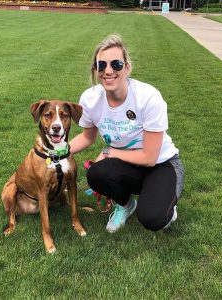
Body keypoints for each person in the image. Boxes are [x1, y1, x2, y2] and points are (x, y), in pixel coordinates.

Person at [69, 34, 184, 233]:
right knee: (96, 173)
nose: (108, 71)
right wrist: (60, 152)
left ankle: (165, 205)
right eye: (101, 65)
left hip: (161, 164)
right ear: (95, 70)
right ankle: (125, 205)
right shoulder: (90, 98)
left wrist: (110, 153)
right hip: (129, 165)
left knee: (154, 219)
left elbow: (149, 157)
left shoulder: (148, 97)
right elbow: (88, 136)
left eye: (116, 64)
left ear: (127, 67)